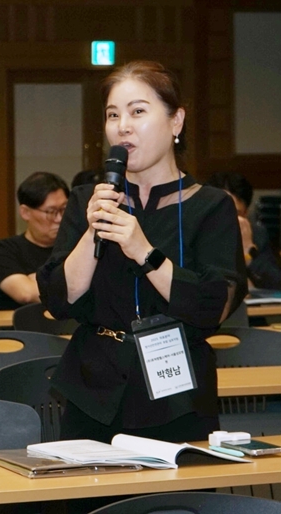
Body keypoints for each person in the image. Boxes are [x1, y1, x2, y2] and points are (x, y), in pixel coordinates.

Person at [38, 60, 246, 444]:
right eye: (112, 115)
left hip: (178, 394)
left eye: (137, 112)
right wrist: (93, 229)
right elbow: (57, 300)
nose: (123, 126)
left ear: (176, 121)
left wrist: (145, 252)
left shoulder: (212, 206)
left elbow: (214, 306)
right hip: (94, 389)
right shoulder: (87, 201)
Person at [0, 172, 69, 310]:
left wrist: (36, 279)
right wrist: (68, 281)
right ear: (25, 212)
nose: (59, 219)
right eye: (51, 211)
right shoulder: (3, 250)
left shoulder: (77, 247)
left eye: (64, 209)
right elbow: (26, 294)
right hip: (18, 324)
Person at [204, 171, 281, 290]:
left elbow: (276, 284)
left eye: (234, 213)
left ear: (245, 213)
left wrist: (248, 251)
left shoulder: (256, 234)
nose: (226, 221)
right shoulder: (193, 233)